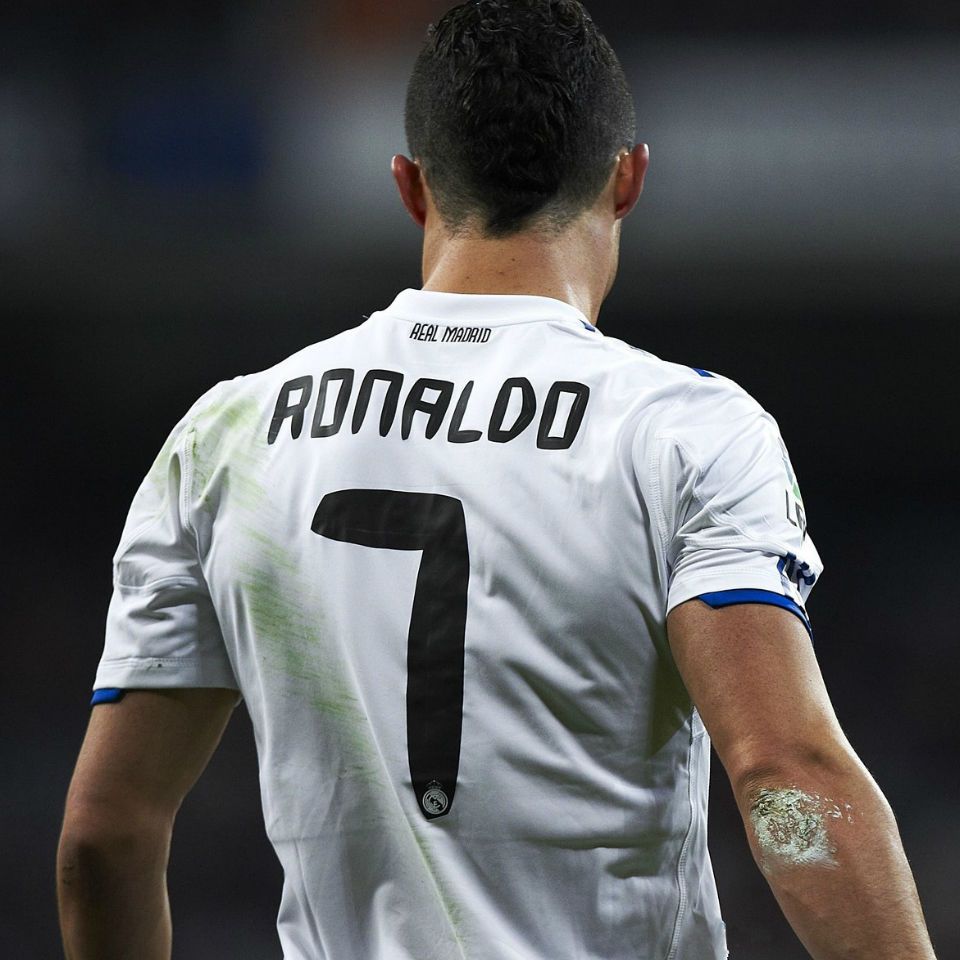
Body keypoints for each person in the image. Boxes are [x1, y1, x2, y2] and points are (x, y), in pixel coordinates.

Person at [57, 2, 937, 958]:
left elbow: (104, 838)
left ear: (411, 186)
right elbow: (783, 782)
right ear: (629, 178)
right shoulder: (682, 432)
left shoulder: (230, 435)